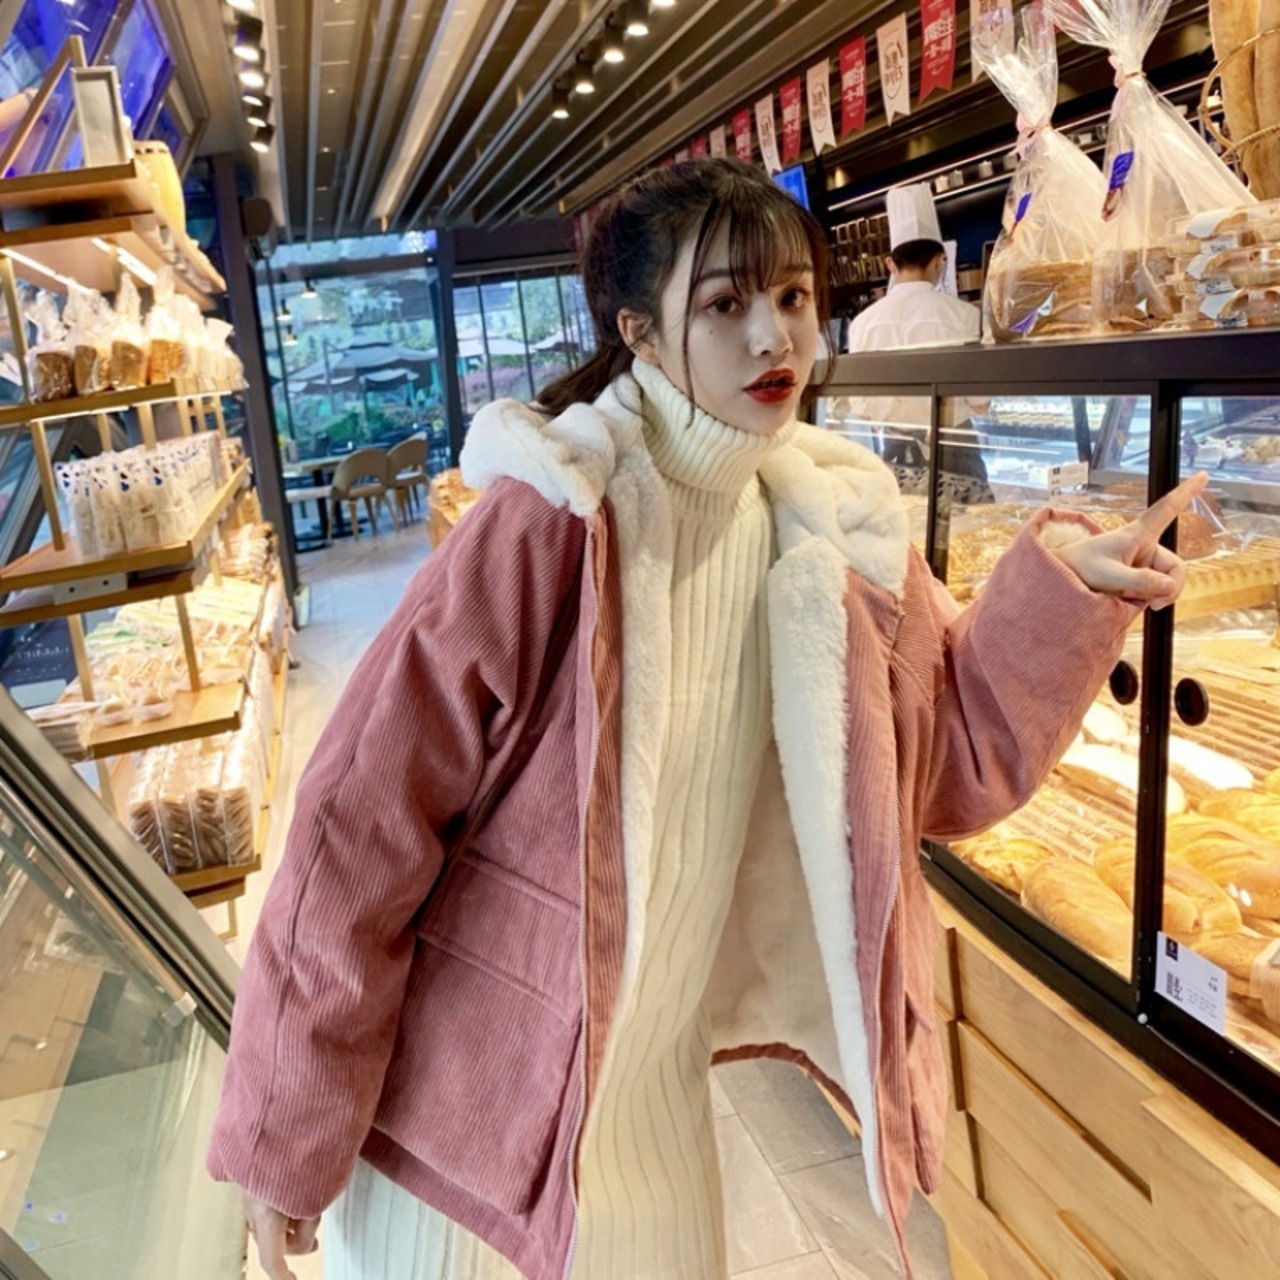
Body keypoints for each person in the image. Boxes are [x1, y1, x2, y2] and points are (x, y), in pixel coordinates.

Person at [207, 157, 1205, 1280]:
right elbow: (356, 826)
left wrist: (1067, 590)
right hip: (472, 1134)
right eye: (724, 305)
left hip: (656, 1116)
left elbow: (947, 757)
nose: (772, 337)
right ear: (637, 330)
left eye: (792, 296)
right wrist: (285, 1133)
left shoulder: (831, 528)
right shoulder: (553, 522)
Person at [841, 184, 988, 504]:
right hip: (956, 447)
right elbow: (981, 403)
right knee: (969, 528)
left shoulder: (863, 323)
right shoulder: (964, 316)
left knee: (907, 525)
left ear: (890, 265)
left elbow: (863, 410)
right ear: (939, 261)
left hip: (896, 449)